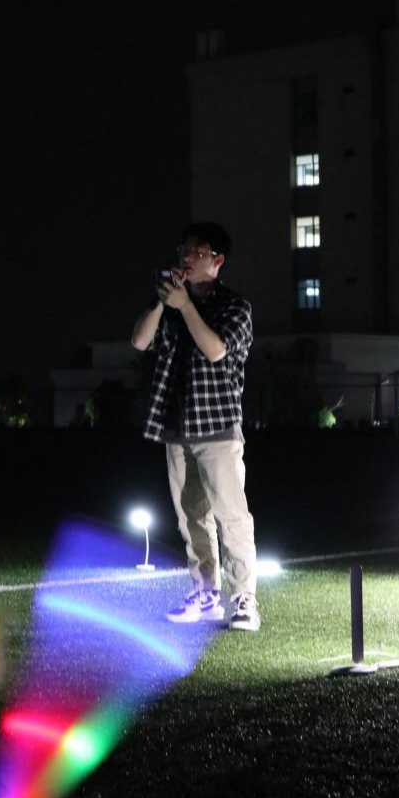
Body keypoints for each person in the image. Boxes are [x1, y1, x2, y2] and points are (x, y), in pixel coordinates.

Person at [131, 222, 259, 631]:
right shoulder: (172, 302)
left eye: (196, 252)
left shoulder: (234, 306)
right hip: (176, 424)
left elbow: (216, 350)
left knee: (231, 516)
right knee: (191, 519)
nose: (186, 257)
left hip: (217, 425)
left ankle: (244, 598)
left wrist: (186, 305)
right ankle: (206, 594)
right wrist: (161, 301)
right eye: (183, 250)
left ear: (217, 260)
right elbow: (139, 341)